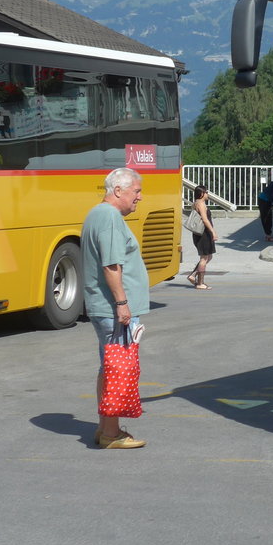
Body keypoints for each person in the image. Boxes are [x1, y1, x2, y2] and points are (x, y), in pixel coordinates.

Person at [82, 167, 150, 450]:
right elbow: (111, 265)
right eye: (137, 191)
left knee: (108, 366)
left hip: (104, 307)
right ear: (118, 190)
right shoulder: (109, 217)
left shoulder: (97, 213)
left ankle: (104, 427)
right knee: (118, 369)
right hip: (113, 309)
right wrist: (122, 303)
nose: (140, 197)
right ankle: (111, 433)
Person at [186, 185, 217, 290]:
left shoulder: (196, 203)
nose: (208, 194)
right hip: (204, 234)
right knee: (204, 258)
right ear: (202, 194)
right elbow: (204, 219)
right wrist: (213, 232)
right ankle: (200, 283)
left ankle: (193, 275)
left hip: (199, 234)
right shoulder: (201, 204)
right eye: (206, 192)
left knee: (208, 256)